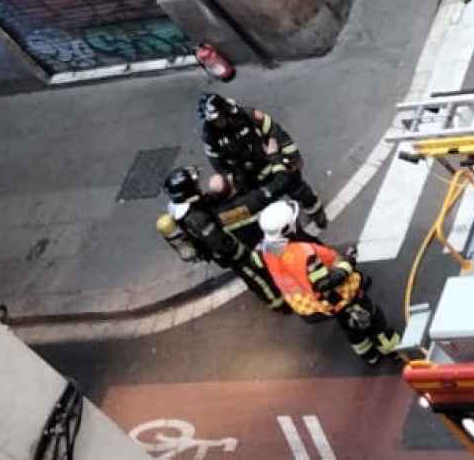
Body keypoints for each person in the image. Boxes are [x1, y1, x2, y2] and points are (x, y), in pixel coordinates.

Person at [256, 200, 403, 365]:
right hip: (335, 299)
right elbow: (325, 283)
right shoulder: (304, 255)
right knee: (373, 320)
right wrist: (348, 263)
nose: (298, 222)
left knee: (350, 327)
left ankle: (370, 356)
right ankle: (394, 351)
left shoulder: (266, 249)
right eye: (294, 220)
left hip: (310, 305)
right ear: (287, 229)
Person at [156, 166, 285, 312]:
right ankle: (277, 303)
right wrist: (245, 254)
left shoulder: (181, 205)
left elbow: (204, 203)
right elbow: (220, 244)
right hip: (232, 255)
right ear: (188, 190)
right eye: (195, 184)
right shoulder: (197, 218)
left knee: (252, 274)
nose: (198, 185)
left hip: (223, 250)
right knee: (254, 276)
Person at [198, 94, 326, 230]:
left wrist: (293, 156)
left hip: (271, 162)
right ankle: (284, 227)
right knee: (263, 206)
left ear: (225, 110)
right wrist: (234, 181)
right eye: (212, 120)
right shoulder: (210, 136)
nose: (216, 123)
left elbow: (275, 131)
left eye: (217, 118)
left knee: (298, 188)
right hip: (248, 177)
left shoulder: (247, 115)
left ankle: (315, 211)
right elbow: (218, 164)